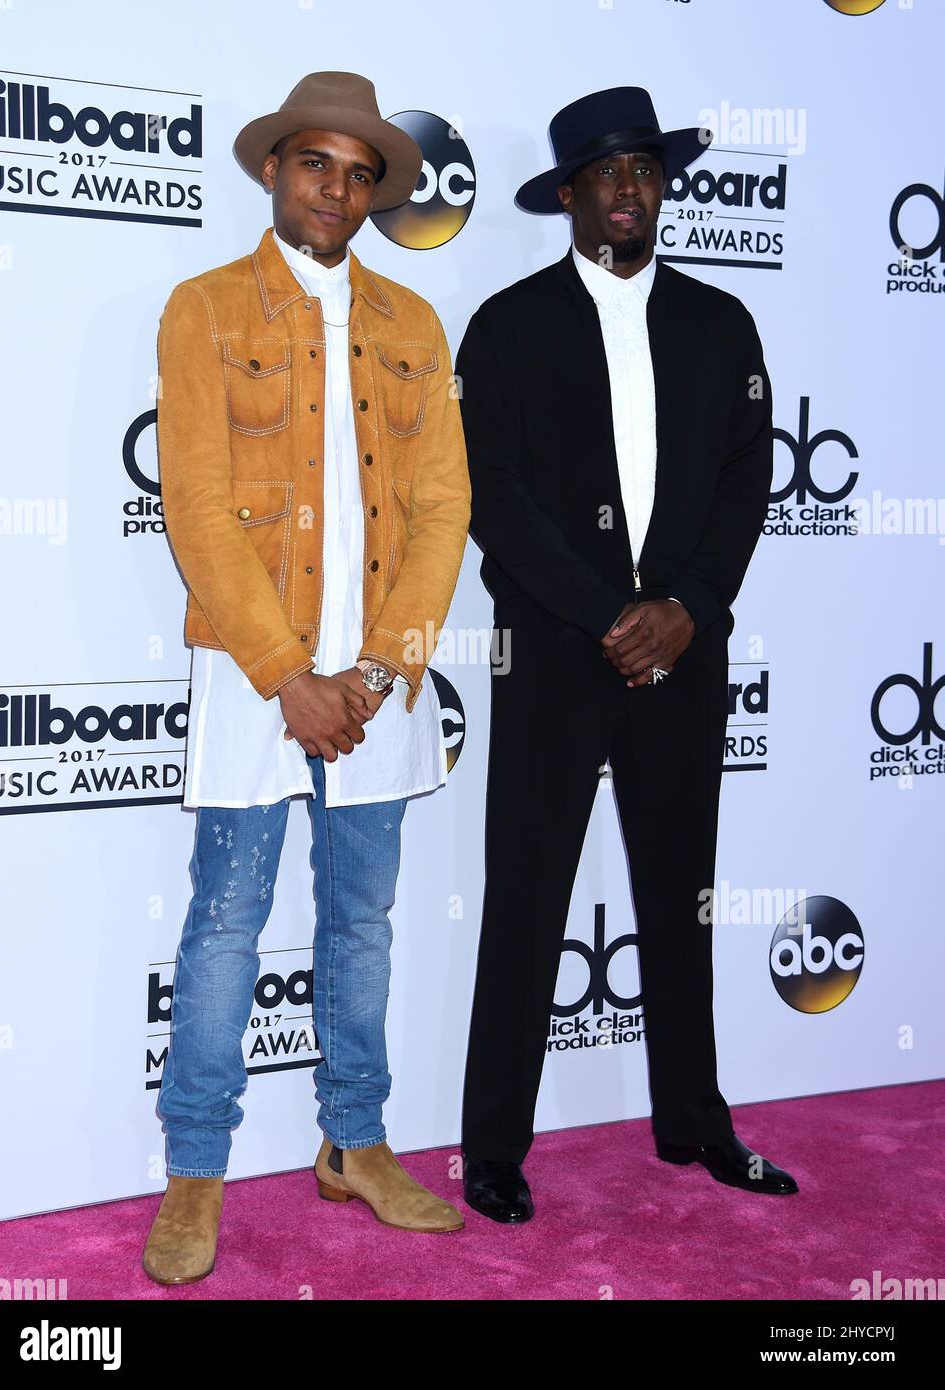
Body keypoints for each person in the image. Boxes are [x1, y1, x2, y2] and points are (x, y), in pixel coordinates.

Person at [145, 71, 471, 1284]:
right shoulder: (205, 308)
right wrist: (290, 673)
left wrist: (384, 667)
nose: (335, 187)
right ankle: (195, 1167)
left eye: (358, 170)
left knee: (364, 923)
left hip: (381, 688)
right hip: (251, 673)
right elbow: (194, 507)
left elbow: (443, 505)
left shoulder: (414, 326)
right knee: (227, 921)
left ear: (377, 191)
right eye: (314, 163)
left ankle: (358, 1142)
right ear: (275, 172)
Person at [456, 86, 797, 1225]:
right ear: (567, 195)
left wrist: (688, 606)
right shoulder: (506, 327)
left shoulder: (720, 325)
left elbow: (748, 481)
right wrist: (610, 611)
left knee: (681, 899)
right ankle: (495, 1148)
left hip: (685, 658)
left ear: (663, 187)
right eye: (606, 174)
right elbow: (493, 502)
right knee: (526, 903)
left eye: (645, 171)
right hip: (558, 655)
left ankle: (695, 1119)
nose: (629, 191)